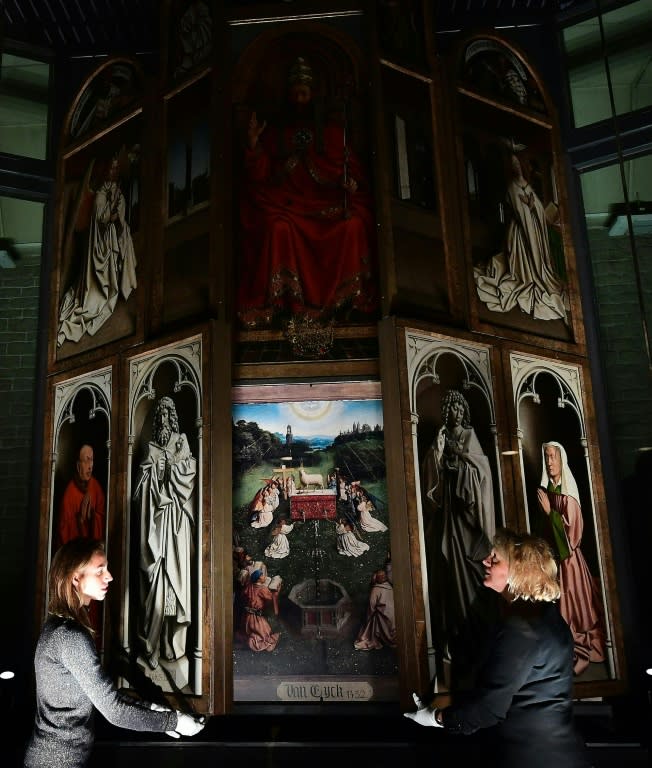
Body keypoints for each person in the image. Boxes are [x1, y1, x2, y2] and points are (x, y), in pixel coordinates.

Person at [404, 529, 592, 768]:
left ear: (519, 569)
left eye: (495, 558)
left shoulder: (521, 628)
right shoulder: (548, 617)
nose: (486, 560)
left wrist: (434, 718)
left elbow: (489, 709)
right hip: (560, 753)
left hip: (533, 757)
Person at [23, 538, 204, 768]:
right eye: (100, 570)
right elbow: (114, 711)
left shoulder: (60, 628)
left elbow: (106, 696)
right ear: (76, 578)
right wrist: (172, 722)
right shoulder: (70, 637)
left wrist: (156, 712)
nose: (109, 576)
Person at [237, 55, 377, 328]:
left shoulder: (334, 133)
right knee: (277, 227)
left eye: (305, 93)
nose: (300, 99)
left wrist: (352, 185)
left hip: (326, 205)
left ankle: (347, 303)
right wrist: (254, 145)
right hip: (287, 206)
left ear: (313, 95)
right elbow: (261, 175)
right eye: (295, 94)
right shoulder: (275, 133)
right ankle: (286, 304)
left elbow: (352, 171)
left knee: (355, 224)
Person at [420, 389, 496, 663]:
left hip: (466, 518)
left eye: (459, 410)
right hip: (448, 513)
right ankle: (451, 638)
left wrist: (459, 467)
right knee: (448, 574)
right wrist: (438, 453)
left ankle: (474, 638)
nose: (455, 414)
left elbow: (481, 472)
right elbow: (431, 470)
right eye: (451, 409)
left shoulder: (468, 436)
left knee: (469, 572)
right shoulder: (442, 437)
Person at [133, 395, 197, 671]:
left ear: (173, 418)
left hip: (176, 526)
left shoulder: (182, 441)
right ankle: (151, 646)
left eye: (166, 415)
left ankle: (174, 647)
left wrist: (173, 467)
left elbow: (191, 473)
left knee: (178, 584)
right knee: (156, 584)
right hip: (156, 528)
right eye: (158, 415)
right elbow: (139, 492)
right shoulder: (150, 448)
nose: (162, 420)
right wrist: (155, 475)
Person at [474, 148, 567, 322]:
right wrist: (528, 207)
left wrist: (533, 207)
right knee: (521, 265)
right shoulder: (513, 185)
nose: (517, 167)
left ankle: (540, 277)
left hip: (535, 231)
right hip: (519, 234)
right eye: (513, 165)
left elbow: (538, 209)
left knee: (541, 262)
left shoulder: (526, 185)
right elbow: (518, 206)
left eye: (518, 164)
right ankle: (527, 277)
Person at [537, 440, 605, 675]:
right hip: (557, 561)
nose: (549, 461)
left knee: (574, 608)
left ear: (561, 460)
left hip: (570, 562)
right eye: (546, 456)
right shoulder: (551, 490)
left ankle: (579, 648)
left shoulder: (569, 495)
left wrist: (549, 513)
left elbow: (573, 535)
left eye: (553, 456)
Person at [57, 155, 138, 346]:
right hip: (98, 247)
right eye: (111, 168)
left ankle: (109, 290)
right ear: (104, 171)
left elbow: (120, 217)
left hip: (109, 243)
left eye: (116, 169)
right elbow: (101, 218)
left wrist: (118, 212)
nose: (113, 172)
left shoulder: (116, 191)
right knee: (92, 294)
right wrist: (113, 213)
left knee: (110, 283)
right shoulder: (101, 194)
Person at [57, 444, 106, 548]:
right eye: (86, 460)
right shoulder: (69, 493)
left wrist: (92, 516)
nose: (90, 466)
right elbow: (64, 530)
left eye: (92, 460)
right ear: (78, 465)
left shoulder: (96, 487)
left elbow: (102, 518)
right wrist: (79, 519)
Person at [354, 568, 396, 651]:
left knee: (373, 618)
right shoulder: (390, 587)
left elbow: (371, 607)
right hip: (393, 619)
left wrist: (368, 618)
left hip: (384, 618)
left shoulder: (376, 589)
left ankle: (372, 638)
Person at [241, 569, 281, 652]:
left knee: (257, 631)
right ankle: (253, 641)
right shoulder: (263, 589)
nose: (265, 577)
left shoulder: (249, 586)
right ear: (258, 579)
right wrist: (277, 592)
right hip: (256, 619)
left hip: (247, 617)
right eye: (262, 576)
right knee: (266, 636)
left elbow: (244, 594)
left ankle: (252, 637)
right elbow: (271, 598)